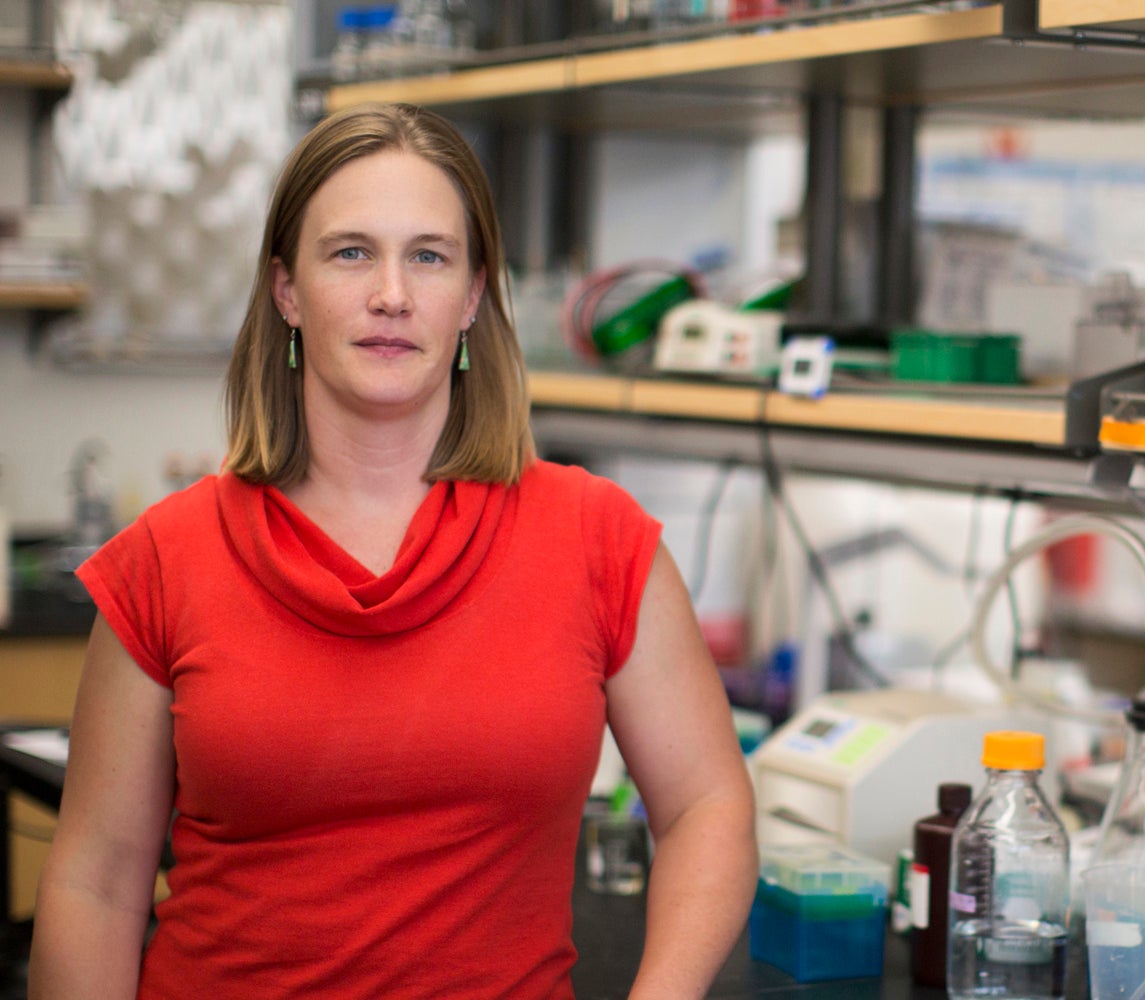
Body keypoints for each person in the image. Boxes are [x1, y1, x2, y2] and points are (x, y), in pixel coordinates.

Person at [28, 102, 757, 999]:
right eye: (350, 252)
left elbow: (705, 806)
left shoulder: (596, 537)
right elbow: (96, 881)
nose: (392, 294)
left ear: (474, 294)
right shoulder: (164, 560)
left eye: (428, 255)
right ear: (287, 291)